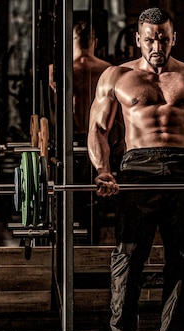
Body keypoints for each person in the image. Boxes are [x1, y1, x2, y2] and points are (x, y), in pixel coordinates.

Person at [87, 7, 184, 331]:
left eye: (163, 37)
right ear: (138, 38)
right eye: (150, 38)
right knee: (129, 256)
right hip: (137, 168)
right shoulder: (116, 76)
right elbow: (98, 130)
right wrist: (103, 170)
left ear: (173, 38)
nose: (157, 45)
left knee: (182, 260)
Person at [49, 21, 115, 244]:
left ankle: (69, 245)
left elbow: (49, 111)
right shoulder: (108, 71)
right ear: (95, 43)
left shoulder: (57, 71)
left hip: (69, 139)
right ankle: (92, 244)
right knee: (97, 196)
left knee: (68, 197)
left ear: (71, 43)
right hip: (101, 139)